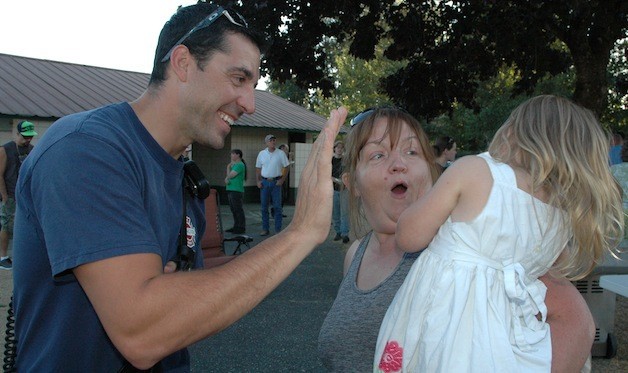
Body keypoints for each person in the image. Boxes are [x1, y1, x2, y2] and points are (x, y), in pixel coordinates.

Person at [11, 3, 348, 371]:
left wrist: (170, 296)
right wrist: (299, 233)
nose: (250, 104)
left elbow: (186, 307)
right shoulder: (85, 150)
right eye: (239, 79)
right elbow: (143, 331)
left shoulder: (185, 179)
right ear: (183, 63)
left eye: (253, 86)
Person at [318, 106, 596, 372]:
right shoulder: (356, 254)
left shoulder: (474, 241)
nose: (399, 164)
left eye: (412, 151)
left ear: (431, 170)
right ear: (352, 183)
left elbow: (579, 326)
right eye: (378, 155)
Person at [0, 120, 37, 270]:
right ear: (17, 134)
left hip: (25, 194)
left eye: (30, 137)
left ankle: (22, 255)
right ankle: (3, 257)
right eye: (25, 136)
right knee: (6, 225)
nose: (28, 139)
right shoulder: (5, 149)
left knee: (24, 226)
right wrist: (4, 196)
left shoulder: (32, 149)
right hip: (9, 194)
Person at [255, 134, 289, 236]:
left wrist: (282, 180)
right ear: (266, 142)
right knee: (264, 207)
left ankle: (278, 229)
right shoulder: (262, 154)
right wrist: (258, 181)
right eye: (270, 140)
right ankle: (265, 228)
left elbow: (287, 167)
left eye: (274, 140)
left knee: (277, 207)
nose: (273, 142)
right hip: (265, 182)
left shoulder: (280, 153)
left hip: (276, 182)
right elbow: (258, 168)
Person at [331, 140, 350, 243]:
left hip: (344, 189)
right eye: (338, 147)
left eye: (341, 148)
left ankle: (345, 234)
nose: (339, 149)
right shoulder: (330, 161)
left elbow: (348, 175)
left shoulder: (345, 161)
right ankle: (337, 231)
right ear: (334, 149)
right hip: (333, 190)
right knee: (335, 212)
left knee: (344, 212)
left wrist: (336, 180)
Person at [225, 149, 246, 234]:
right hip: (231, 189)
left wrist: (228, 172)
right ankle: (236, 226)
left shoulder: (240, 165)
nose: (232, 156)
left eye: (233, 154)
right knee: (233, 209)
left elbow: (231, 175)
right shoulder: (234, 165)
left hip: (236, 190)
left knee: (238, 209)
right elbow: (229, 176)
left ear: (238, 155)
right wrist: (228, 168)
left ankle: (241, 227)